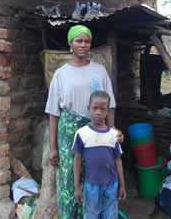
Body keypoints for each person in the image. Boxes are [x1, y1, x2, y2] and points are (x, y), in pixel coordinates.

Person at [45, 25, 121, 219]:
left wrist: (112, 129)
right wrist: (53, 147)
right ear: (70, 43)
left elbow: (109, 103)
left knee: (94, 177)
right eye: (79, 41)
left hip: (97, 132)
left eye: (87, 41)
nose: (83, 45)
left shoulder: (100, 71)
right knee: (70, 179)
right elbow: (54, 112)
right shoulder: (61, 74)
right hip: (69, 133)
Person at [73, 90, 127, 219]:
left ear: (108, 111)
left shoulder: (113, 135)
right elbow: (77, 160)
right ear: (88, 109)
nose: (98, 112)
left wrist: (122, 185)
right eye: (95, 108)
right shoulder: (81, 133)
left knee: (110, 215)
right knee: (91, 215)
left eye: (102, 109)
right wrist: (77, 188)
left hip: (111, 185)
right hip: (91, 185)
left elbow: (118, 161)